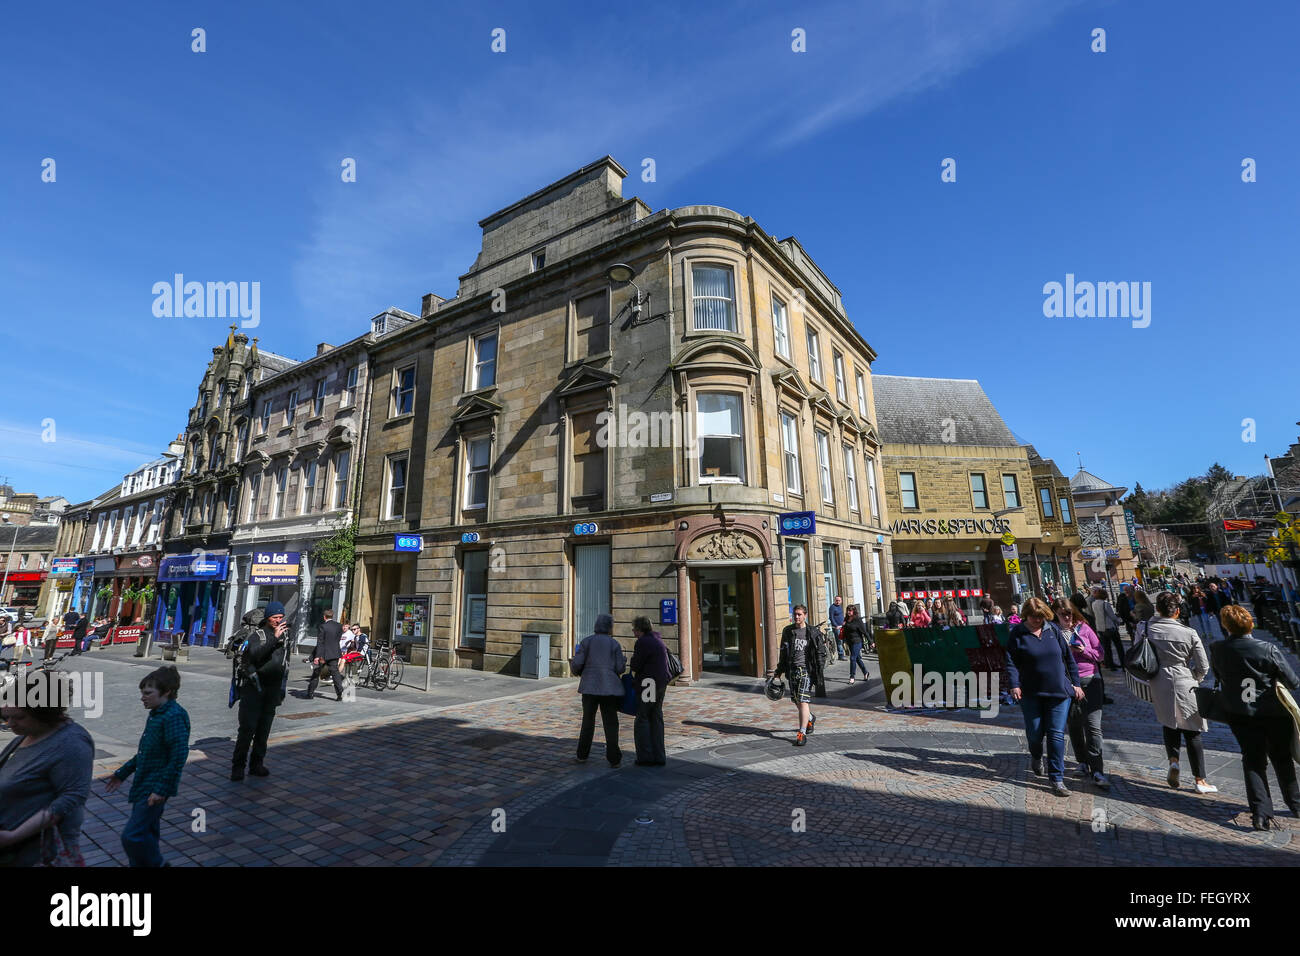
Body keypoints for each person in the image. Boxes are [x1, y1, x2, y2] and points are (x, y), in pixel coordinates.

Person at [1210, 605, 1300, 830]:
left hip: (1239, 713)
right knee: (1282, 758)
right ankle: (1296, 804)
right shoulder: (1267, 649)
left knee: (1252, 760)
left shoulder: (1218, 649)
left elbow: (1218, 676)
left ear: (1226, 626)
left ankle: (1260, 813)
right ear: (1250, 623)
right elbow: (1292, 681)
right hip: (1273, 712)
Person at [0, 671, 94, 866]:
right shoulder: (30, 733)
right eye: (6, 717)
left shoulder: (71, 743)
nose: (9, 724)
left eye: (19, 717)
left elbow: (71, 798)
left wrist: (13, 836)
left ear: (45, 712)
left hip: (32, 854)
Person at [104, 666, 190, 867]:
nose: (143, 698)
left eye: (148, 693)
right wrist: (122, 773)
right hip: (145, 782)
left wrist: (161, 789)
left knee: (132, 836)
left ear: (166, 692)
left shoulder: (173, 716)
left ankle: (158, 865)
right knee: (148, 832)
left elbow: (178, 755)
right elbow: (145, 752)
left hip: (154, 785)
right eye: (142, 693)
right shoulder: (157, 713)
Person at [1003, 597, 1084, 797]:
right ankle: (1037, 755)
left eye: (1040, 616)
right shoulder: (1018, 633)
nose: (1037, 620)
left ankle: (1057, 778)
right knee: (1035, 733)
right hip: (1030, 692)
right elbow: (1011, 661)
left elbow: (1068, 658)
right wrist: (1014, 684)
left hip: (1058, 691)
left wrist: (1076, 683)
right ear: (1025, 615)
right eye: (1033, 616)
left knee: (1056, 733)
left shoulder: (1053, 630)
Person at [1146, 590, 1217, 794]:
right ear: (1177, 611)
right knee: (1193, 731)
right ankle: (1200, 779)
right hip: (1185, 679)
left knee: (1169, 723)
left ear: (1157, 609)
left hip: (1159, 681)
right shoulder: (1189, 632)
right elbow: (1203, 665)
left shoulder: (1148, 629)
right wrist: (1196, 677)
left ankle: (1174, 761)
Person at [1053, 599, 1109, 789]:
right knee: (1075, 724)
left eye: (1069, 612)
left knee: (1093, 726)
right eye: (1062, 613)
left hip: (1090, 680)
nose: (1067, 617)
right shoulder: (1053, 631)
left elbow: (1100, 654)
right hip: (1067, 683)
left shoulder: (1084, 628)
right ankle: (1082, 762)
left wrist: (1084, 650)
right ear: (1056, 614)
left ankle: (1097, 770)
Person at [231, 602, 289, 781]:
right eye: (275, 617)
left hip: (272, 689)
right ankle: (238, 766)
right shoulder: (259, 635)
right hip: (254, 688)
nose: (278, 621)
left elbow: (285, 663)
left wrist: (282, 689)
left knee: (264, 730)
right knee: (247, 729)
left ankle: (257, 764)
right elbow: (254, 654)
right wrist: (274, 638)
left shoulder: (285, 635)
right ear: (267, 618)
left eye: (281, 617)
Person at [570, 613, 624, 767]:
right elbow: (620, 668)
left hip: (589, 687)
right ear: (610, 627)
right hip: (609, 688)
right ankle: (614, 758)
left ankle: (582, 755)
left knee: (588, 721)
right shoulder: (614, 644)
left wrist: (580, 672)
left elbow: (576, 664)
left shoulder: (586, 642)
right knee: (611, 723)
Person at [773, 605, 824, 746]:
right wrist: (779, 671)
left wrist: (819, 671)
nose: (796, 617)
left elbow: (820, 653)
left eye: (799, 614)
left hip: (806, 671)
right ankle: (810, 718)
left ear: (805, 615)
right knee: (796, 701)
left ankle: (802, 733)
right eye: (795, 614)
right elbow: (783, 653)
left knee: (802, 701)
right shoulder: (788, 631)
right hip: (792, 671)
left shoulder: (812, 632)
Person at [629, 615, 670, 766]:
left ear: (640, 629)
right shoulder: (657, 639)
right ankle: (659, 755)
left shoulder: (643, 642)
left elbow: (636, 665)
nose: (633, 632)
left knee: (643, 718)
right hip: (660, 682)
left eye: (634, 629)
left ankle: (645, 756)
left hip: (648, 684)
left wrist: (631, 661)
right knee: (656, 717)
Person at [305, 609, 345, 701]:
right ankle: (340, 694)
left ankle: (310, 693)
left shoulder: (323, 626)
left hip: (323, 654)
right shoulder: (339, 626)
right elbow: (338, 639)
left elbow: (320, 642)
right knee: (335, 674)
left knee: (316, 673)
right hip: (334, 653)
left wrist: (317, 656)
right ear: (332, 616)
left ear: (324, 617)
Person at [1089, 587, 1125, 672]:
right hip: (1110, 627)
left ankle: (1111, 665)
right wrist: (1119, 621)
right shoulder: (1105, 604)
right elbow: (1112, 616)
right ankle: (1124, 664)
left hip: (1100, 628)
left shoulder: (1093, 604)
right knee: (1119, 647)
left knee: (1107, 648)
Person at [842, 604, 871, 684]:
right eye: (847, 610)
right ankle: (865, 672)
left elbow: (864, 632)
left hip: (857, 641)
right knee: (857, 658)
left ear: (854, 611)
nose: (848, 612)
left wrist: (870, 642)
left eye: (850, 610)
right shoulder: (846, 619)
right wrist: (844, 640)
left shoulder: (857, 620)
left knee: (852, 658)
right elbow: (845, 631)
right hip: (850, 642)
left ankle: (852, 676)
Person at [828, 596, 846, 661]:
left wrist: (844, 622)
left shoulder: (840, 607)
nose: (838, 602)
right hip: (837, 627)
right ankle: (841, 655)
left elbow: (841, 616)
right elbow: (831, 617)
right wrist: (836, 625)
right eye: (836, 600)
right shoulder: (832, 607)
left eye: (839, 600)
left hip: (842, 626)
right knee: (839, 641)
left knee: (843, 640)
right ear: (834, 600)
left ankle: (844, 652)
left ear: (841, 601)